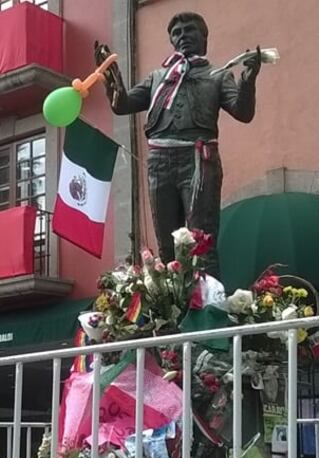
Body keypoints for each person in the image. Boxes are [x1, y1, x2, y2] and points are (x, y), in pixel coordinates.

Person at [97, 12, 262, 276]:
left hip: (198, 161)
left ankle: (207, 310)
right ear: (172, 40)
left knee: (201, 241)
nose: (183, 35)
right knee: (168, 246)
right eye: (177, 32)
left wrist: (248, 79)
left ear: (204, 39)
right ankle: (173, 309)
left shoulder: (217, 76)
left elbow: (243, 112)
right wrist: (112, 78)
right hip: (159, 164)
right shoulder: (158, 77)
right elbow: (123, 105)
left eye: (190, 30)